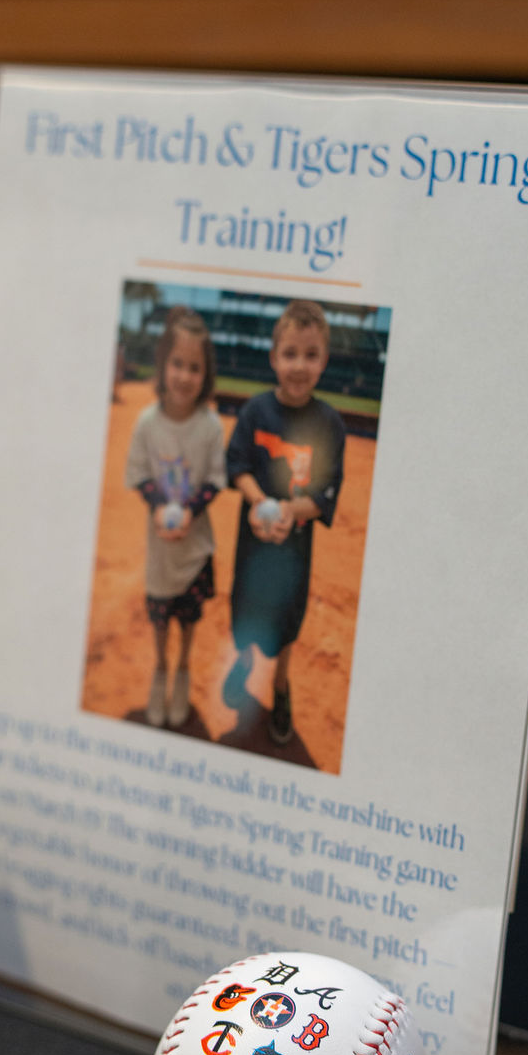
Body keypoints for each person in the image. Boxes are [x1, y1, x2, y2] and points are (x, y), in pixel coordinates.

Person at [224, 299, 345, 745]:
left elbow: (327, 491)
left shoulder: (329, 424)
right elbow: (237, 465)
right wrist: (259, 504)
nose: (299, 365)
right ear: (274, 358)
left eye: (311, 355)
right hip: (252, 543)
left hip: (293, 553)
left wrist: (291, 512)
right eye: (290, 353)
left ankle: (279, 685)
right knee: (245, 608)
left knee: (287, 620)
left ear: (324, 361)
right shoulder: (255, 412)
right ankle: (243, 662)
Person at [125, 307, 225, 728]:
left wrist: (189, 511)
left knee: (188, 617)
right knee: (160, 616)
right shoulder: (147, 423)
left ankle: (182, 667)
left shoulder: (210, 426)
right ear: (163, 363)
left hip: (194, 546)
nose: (185, 375)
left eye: (195, 367)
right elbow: (139, 475)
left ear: (206, 374)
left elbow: (216, 480)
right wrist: (156, 506)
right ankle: (161, 668)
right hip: (161, 551)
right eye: (177, 363)